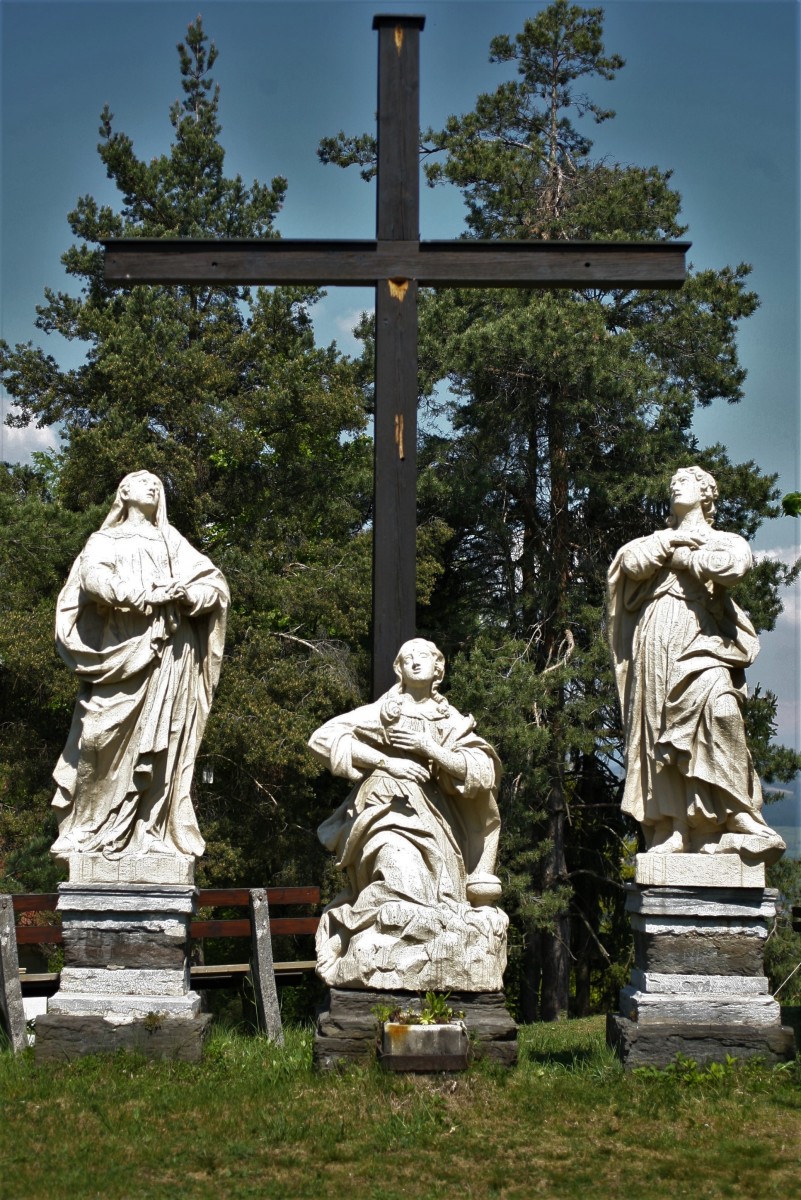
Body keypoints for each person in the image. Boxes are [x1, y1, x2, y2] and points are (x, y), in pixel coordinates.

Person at [607, 465, 785, 863]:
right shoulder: (658, 539)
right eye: (672, 483)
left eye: (684, 481)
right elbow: (630, 564)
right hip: (656, 639)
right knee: (660, 732)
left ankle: (739, 813)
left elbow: (735, 566)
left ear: (706, 493)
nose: (675, 486)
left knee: (723, 712)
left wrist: (687, 557)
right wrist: (669, 542)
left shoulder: (724, 540)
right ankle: (676, 826)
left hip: (703, 639)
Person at [50, 471, 229, 863]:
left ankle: (149, 829)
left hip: (170, 653)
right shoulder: (104, 540)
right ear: (124, 491)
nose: (153, 486)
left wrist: (188, 595)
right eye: (143, 481)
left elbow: (214, 586)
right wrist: (143, 594)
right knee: (96, 737)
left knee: (163, 742)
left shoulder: (171, 540)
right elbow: (94, 579)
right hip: (122, 650)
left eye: (157, 484)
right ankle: (85, 827)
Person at [309, 638, 507, 990]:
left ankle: (354, 933)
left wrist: (430, 748)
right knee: (399, 872)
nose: (416, 662)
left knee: (437, 898)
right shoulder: (385, 711)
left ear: (438, 668)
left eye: (423, 656)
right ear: (398, 669)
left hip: (434, 818)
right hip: (385, 810)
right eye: (407, 658)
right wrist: (386, 762)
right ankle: (347, 933)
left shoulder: (450, 720)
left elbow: (483, 771)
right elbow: (322, 740)